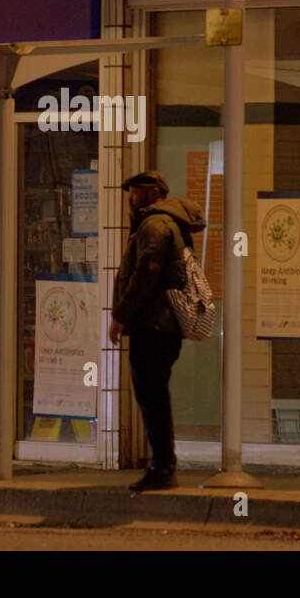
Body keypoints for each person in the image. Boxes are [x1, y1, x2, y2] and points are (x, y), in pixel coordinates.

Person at [110, 171, 205, 492]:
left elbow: (145, 273)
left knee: (152, 398)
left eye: (134, 191)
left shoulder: (155, 225)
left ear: (152, 192)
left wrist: (121, 316)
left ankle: (163, 468)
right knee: (154, 397)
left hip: (153, 326)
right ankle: (162, 465)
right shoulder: (164, 223)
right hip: (159, 325)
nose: (130, 197)